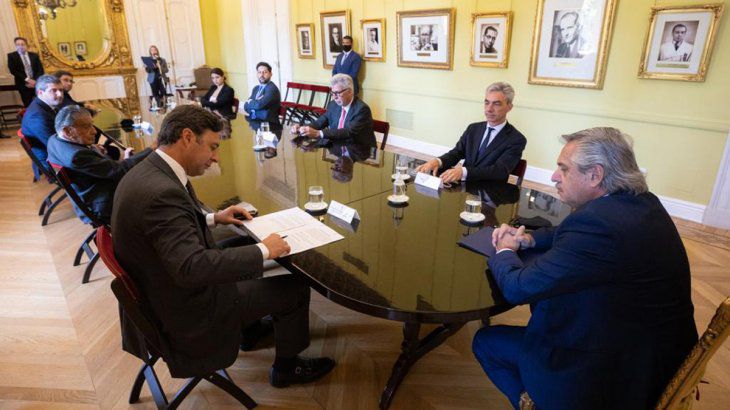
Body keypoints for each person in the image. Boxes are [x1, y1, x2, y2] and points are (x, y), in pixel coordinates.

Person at [473, 127, 698, 409]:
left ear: (595, 175)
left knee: (485, 342)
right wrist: (529, 239)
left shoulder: (598, 224)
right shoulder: (639, 203)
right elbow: (569, 232)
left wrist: (504, 250)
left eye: (564, 169)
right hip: (657, 353)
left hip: (616, 376)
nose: (554, 177)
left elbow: (518, 289)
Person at [111, 104, 336, 386]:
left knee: (242, 241)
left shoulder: (150, 170)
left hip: (162, 288)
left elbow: (163, 230)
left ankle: (249, 331)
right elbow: (192, 267)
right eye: (213, 147)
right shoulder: (161, 192)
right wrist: (266, 249)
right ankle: (287, 369)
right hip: (187, 311)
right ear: (187, 137)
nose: (215, 158)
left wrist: (213, 218)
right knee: (293, 284)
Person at [46, 105, 152, 225]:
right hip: (104, 205)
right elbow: (119, 170)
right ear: (68, 131)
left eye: (92, 124)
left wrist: (93, 150)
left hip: (91, 192)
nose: (94, 131)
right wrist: (152, 148)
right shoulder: (76, 156)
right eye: (86, 127)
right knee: (153, 183)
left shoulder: (54, 140)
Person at [416, 82, 526, 183]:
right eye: (486, 103)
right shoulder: (473, 128)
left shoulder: (516, 139)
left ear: (509, 107)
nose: (489, 109)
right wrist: (438, 161)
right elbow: (457, 152)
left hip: (490, 191)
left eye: (496, 104)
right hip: (463, 188)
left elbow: (499, 171)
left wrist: (463, 172)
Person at [290, 74, 375, 147]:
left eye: (338, 93)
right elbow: (319, 123)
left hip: (358, 150)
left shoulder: (362, 109)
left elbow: (348, 132)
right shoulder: (333, 105)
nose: (334, 97)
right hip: (338, 145)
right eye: (333, 93)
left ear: (349, 92)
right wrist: (302, 128)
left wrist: (318, 133)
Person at [20, 75, 64, 181]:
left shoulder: (46, 106)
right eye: (54, 90)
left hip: (55, 154)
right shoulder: (38, 117)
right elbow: (57, 147)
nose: (60, 94)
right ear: (40, 92)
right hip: (55, 165)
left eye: (61, 90)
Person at [7, 36, 45, 107]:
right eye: (18, 44)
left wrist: (35, 81)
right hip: (23, 85)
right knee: (28, 105)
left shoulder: (34, 55)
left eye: (22, 44)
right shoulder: (12, 56)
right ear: (15, 46)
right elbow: (13, 70)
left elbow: (40, 70)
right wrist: (28, 80)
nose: (20, 46)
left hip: (36, 84)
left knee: (41, 104)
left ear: (26, 45)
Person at [243, 62, 281, 131]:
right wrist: (255, 103)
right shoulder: (256, 88)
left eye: (265, 72)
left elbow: (258, 105)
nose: (261, 75)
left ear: (270, 74)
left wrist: (252, 103)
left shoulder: (272, 89)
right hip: (256, 122)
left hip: (269, 126)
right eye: (259, 72)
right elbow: (245, 106)